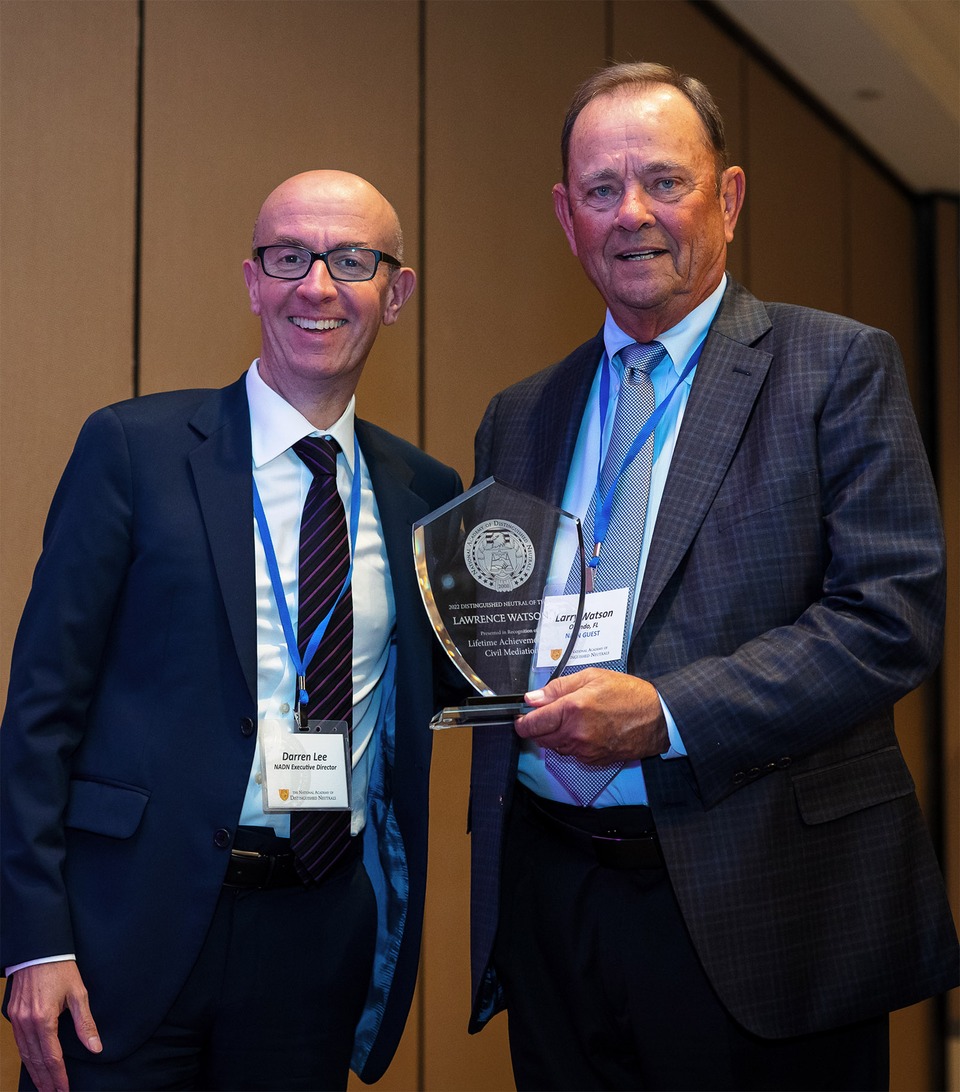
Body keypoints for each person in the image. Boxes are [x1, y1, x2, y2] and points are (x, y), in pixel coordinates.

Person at [467, 62, 959, 1091]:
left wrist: (666, 713)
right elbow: (500, 635)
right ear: (566, 217)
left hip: (762, 904)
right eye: (601, 190)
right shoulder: (521, 415)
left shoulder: (836, 369)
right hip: (554, 899)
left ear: (728, 198)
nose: (632, 213)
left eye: (664, 181)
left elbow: (889, 620)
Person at [1, 169, 462, 1091]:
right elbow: (40, 711)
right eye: (288, 257)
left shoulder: (428, 498)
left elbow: (454, 696)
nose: (317, 286)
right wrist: (32, 940)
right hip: (123, 933)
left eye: (352, 260)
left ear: (397, 292)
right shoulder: (133, 450)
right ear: (252, 281)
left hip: (316, 933)